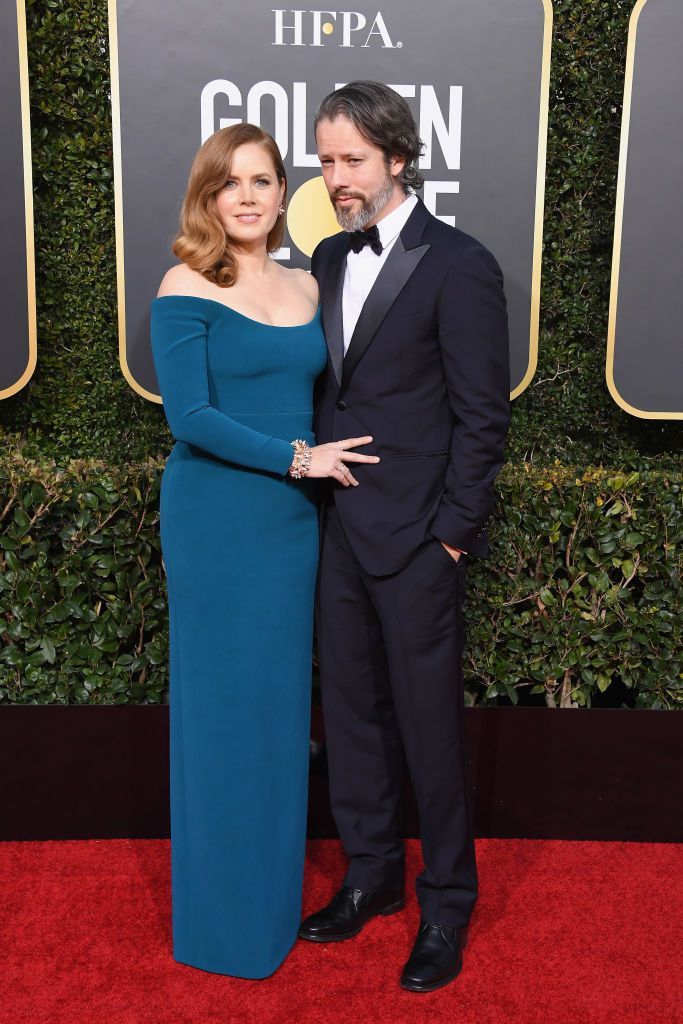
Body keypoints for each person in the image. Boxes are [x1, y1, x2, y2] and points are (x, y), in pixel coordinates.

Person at [150, 123, 378, 978]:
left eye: (261, 179)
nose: (245, 196)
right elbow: (191, 419)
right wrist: (297, 458)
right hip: (216, 518)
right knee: (220, 717)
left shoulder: (305, 283)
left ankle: (270, 908)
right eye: (228, 182)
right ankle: (219, 926)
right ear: (207, 197)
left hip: (291, 528)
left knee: (276, 715)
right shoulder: (185, 283)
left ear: (285, 193)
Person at [298, 82, 512, 993]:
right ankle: (371, 878)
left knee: (428, 732)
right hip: (337, 533)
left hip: (419, 541)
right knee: (349, 722)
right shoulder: (326, 257)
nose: (334, 178)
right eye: (325, 160)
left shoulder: (458, 264)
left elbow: (481, 417)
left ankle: (446, 906)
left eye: (350, 160)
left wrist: (452, 540)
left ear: (396, 157)